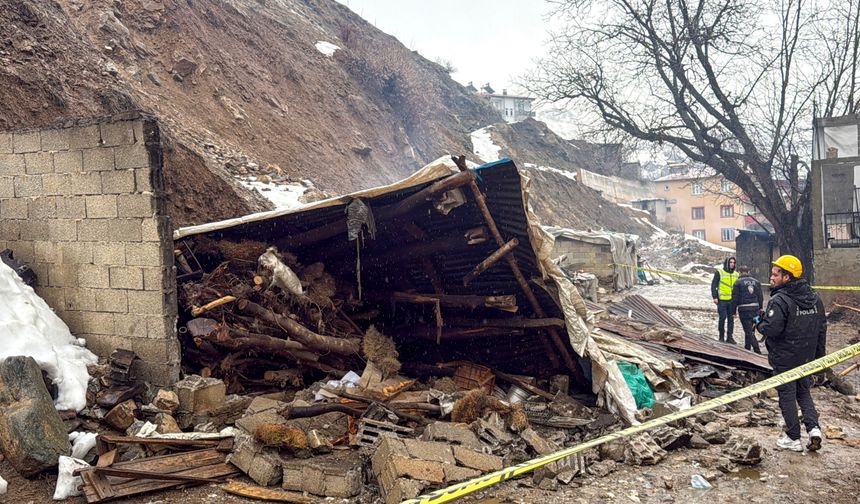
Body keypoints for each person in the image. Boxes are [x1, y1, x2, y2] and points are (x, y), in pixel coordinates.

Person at [756, 255, 827, 452]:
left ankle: (792, 437)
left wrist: (759, 323)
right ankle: (814, 429)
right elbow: (822, 328)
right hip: (806, 357)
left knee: (787, 396)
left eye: (775, 274)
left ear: (787, 277)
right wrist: (820, 359)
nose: (771, 278)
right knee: (803, 393)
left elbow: (772, 329)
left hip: (785, 358)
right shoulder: (814, 297)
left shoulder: (780, 300)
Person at [731, 265, 763, 354]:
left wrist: (733, 311)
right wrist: (760, 308)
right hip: (755, 309)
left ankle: (757, 351)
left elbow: (735, 298)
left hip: (744, 309)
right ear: (748, 272)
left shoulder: (737, 283)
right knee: (751, 329)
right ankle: (747, 348)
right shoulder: (756, 282)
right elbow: (760, 297)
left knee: (748, 331)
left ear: (740, 272)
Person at [710, 256, 738, 343]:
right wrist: (715, 297)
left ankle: (730, 337)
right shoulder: (719, 272)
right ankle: (721, 336)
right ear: (727, 263)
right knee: (722, 318)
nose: (732, 264)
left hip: (732, 301)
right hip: (722, 300)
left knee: (731, 319)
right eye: (730, 262)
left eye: (733, 262)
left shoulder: (736, 274)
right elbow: (714, 285)